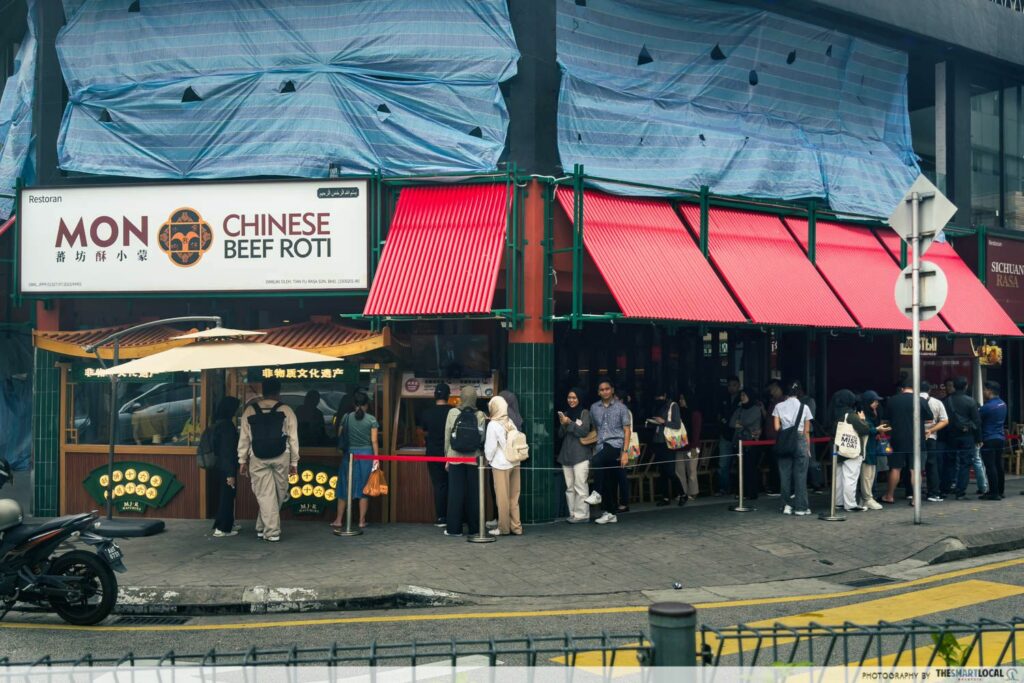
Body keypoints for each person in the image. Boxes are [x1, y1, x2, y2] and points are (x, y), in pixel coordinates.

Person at [238, 378, 299, 543]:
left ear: (262, 391)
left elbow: (244, 438)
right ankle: (272, 532)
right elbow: (293, 438)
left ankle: (261, 526)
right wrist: (294, 462)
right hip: (282, 456)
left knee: (266, 494)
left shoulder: (250, 410)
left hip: (257, 457)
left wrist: (242, 460)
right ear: (278, 392)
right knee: (278, 493)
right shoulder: (286, 410)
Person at [583, 378, 631, 525]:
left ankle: (597, 493)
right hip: (600, 445)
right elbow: (596, 428)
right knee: (608, 479)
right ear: (598, 392)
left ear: (612, 390)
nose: (605, 391)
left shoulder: (621, 408)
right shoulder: (593, 408)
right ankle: (610, 513)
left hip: (615, 444)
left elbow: (627, 431)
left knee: (596, 461)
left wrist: (625, 452)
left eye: (607, 389)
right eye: (602, 389)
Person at [332, 391, 380, 531]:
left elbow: (340, 435)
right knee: (364, 488)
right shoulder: (371, 420)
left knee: (344, 487)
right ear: (367, 405)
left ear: (354, 404)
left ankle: (339, 520)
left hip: (349, 455)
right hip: (366, 455)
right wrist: (376, 458)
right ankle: (361, 521)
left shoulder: (346, 418)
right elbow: (374, 440)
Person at [881, 379, 933, 505]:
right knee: (915, 470)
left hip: (897, 438)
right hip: (917, 439)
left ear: (902, 388)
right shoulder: (921, 400)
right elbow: (929, 420)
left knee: (895, 468)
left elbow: (885, 421)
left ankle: (889, 496)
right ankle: (916, 499)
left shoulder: (892, 400)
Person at [444, 386, 486, 537]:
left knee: (455, 493)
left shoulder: (452, 412)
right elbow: (481, 438)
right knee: (474, 494)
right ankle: (475, 528)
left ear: (461, 397)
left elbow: (447, 437)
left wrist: (447, 457)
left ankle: (454, 529)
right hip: (473, 459)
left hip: (455, 457)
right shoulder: (480, 415)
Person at [771, 380, 813, 516]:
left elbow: (777, 428)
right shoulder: (804, 407)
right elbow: (807, 431)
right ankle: (801, 507)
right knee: (800, 475)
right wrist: (808, 448)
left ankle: (786, 506)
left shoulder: (778, 406)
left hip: (784, 440)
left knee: (784, 475)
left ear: (785, 392)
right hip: (800, 440)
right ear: (798, 392)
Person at [484, 396, 523, 536]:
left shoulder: (493, 424)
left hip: (501, 465)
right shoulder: (510, 421)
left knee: (502, 498)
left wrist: (487, 460)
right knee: (514, 497)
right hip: (515, 462)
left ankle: (503, 528)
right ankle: (516, 527)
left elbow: (490, 448)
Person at [417, 383, 451, 528]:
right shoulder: (453, 411)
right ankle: (454, 517)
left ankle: (441, 518)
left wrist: (425, 439)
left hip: (432, 453)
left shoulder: (427, 413)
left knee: (439, 485)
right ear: (448, 396)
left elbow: (420, 431)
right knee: (452, 485)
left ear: (434, 396)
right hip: (450, 453)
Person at [830, 390, 870, 512]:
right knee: (850, 477)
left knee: (838, 477)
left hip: (838, 449)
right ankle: (850, 504)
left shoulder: (833, 413)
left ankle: (838, 502)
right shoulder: (851, 415)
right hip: (851, 450)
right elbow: (865, 429)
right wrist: (863, 419)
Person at [557, 387, 593, 522]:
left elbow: (583, 431)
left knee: (580, 486)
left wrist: (570, 423)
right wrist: (563, 424)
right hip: (566, 455)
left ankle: (582, 515)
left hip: (581, 455)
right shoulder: (566, 413)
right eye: (569, 398)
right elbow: (560, 435)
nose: (571, 400)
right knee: (569, 487)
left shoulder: (585, 413)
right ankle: (573, 513)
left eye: (574, 398)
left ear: (580, 398)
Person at [947, 377, 983, 500]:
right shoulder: (971, 401)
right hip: (967, 436)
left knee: (950, 462)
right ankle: (960, 491)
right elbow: (977, 422)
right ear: (966, 386)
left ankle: (947, 487)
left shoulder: (947, 401)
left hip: (950, 436)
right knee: (965, 464)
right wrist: (978, 438)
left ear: (953, 386)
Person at [210, 396, 241, 537]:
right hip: (227, 466)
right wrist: (230, 474)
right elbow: (228, 451)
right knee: (227, 496)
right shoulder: (228, 426)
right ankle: (222, 528)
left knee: (225, 495)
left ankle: (224, 523)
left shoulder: (218, 423)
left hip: (219, 465)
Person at [649, 389, 685, 507]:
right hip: (658, 440)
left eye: (659, 397)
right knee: (662, 471)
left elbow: (677, 424)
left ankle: (682, 493)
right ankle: (665, 497)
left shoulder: (673, 406)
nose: (657, 399)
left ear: (664, 395)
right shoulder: (659, 406)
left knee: (670, 470)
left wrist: (663, 421)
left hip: (668, 442)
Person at [858, 391, 890, 510]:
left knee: (870, 473)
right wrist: (877, 429)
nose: (877, 403)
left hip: (871, 447)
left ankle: (866, 498)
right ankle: (867, 498)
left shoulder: (871, 414)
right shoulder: (862, 414)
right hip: (866, 448)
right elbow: (866, 429)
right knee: (867, 474)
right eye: (874, 401)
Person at [730, 389, 763, 500]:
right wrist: (740, 424)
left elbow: (747, 421)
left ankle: (751, 493)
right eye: (741, 395)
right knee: (740, 468)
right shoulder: (739, 409)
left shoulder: (756, 409)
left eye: (744, 395)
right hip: (739, 442)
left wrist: (740, 423)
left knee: (750, 468)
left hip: (751, 442)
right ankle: (742, 492)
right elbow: (731, 423)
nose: (742, 397)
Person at [920, 382, 949, 502]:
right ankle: (933, 493)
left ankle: (910, 492)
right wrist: (931, 430)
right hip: (931, 438)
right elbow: (945, 421)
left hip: (913, 437)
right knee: (931, 465)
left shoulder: (910, 401)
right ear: (930, 391)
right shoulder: (937, 402)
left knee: (911, 465)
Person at [979, 380, 1007, 501]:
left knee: (990, 466)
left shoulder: (987, 407)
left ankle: (993, 492)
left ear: (989, 391)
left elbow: (978, 420)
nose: (984, 392)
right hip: (1000, 438)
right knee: (998, 465)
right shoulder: (1003, 404)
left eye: (985, 389)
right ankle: (1000, 491)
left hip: (989, 438)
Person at [716, 376, 741, 496]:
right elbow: (719, 414)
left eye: (734, 385)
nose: (731, 387)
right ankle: (724, 488)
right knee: (723, 464)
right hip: (725, 435)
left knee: (739, 464)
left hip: (738, 435)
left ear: (739, 385)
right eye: (729, 385)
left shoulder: (742, 398)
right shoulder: (723, 398)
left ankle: (738, 489)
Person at [761, 381, 785, 496]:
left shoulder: (783, 402)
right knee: (773, 463)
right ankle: (775, 486)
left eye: (773, 388)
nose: (771, 391)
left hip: (778, 438)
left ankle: (778, 488)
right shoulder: (773, 402)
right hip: (770, 438)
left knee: (777, 464)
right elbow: (768, 419)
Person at [675, 393, 700, 500]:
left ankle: (692, 492)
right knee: (679, 470)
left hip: (693, 446)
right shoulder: (679, 413)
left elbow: (696, 432)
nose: (680, 401)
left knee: (692, 469)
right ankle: (682, 492)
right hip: (680, 446)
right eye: (680, 399)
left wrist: (694, 446)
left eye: (682, 399)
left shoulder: (695, 414)